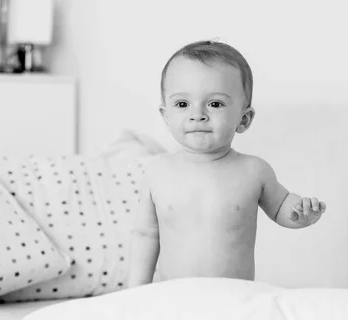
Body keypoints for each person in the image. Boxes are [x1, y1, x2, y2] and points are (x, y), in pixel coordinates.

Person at [128, 40, 326, 287]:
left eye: (215, 104)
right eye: (182, 104)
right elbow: (145, 235)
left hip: (235, 298)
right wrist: (135, 292)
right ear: (166, 116)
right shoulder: (157, 172)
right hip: (174, 298)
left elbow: (281, 209)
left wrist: (299, 213)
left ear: (244, 119)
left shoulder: (254, 171)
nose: (197, 114)